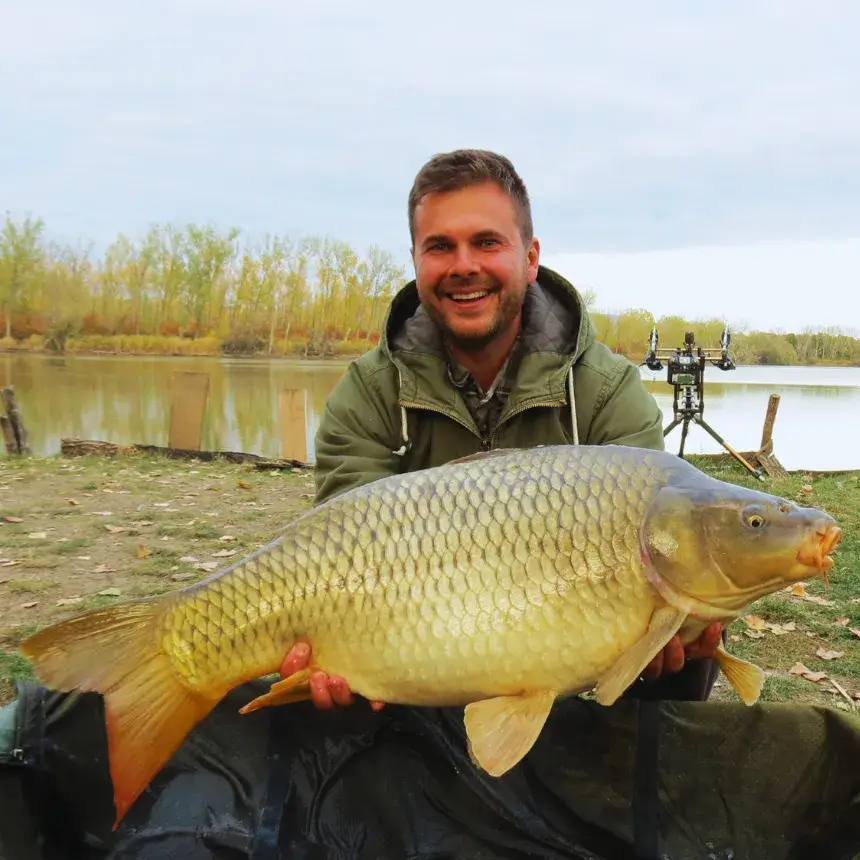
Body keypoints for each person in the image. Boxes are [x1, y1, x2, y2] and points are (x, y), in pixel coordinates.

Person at [277, 148, 723, 711]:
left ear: (530, 257)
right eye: (440, 246)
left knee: (690, 633)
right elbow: (340, 553)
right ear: (416, 261)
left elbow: (650, 554)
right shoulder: (369, 393)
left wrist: (659, 640)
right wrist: (332, 657)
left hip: (568, 662)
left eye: (487, 242)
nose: (464, 265)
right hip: (411, 654)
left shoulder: (606, 392)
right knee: (329, 698)